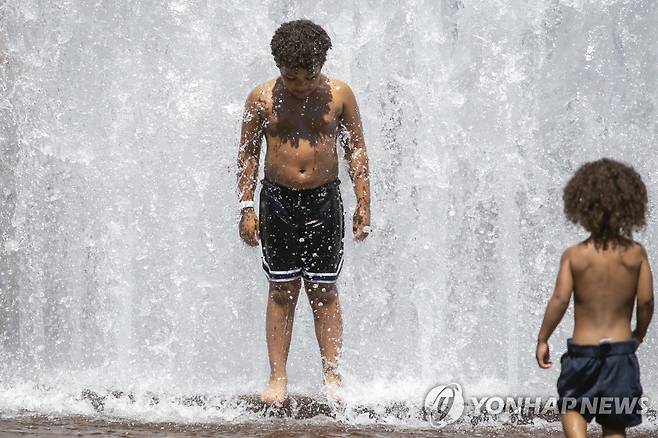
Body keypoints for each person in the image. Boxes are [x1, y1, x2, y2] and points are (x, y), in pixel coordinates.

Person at [236, 19, 371, 404]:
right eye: (291, 78)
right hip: (277, 201)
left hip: (324, 200)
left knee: (324, 290)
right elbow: (247, 154)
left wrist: (364, 201)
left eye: (308, 77)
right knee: (281, 289)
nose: (299, 86)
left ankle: (332, 376)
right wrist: (246, 207)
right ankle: (277, 379)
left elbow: (356, 150)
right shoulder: (260, 98)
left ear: (322, 64)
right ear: (278, 67)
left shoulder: (341, 94)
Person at [536, 158, 654, 438]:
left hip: (583, 352)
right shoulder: (636, 254)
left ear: (582, 205)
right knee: (614, 422)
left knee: (573, 407)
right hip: (620, 353)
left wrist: (543, 338)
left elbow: (559, 300)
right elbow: (647, 301)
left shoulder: (575, 256)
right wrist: (640, 333)